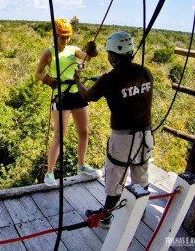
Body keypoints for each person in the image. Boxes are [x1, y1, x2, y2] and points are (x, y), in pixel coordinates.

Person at [75, 31, 154, 228]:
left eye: (109, 53)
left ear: (113, 55)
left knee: (115, 178)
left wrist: (78, 80)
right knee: (140, 174)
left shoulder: (109, 79)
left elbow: (87, 96)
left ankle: (107, 216)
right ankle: (139, 211)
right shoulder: (145, 72)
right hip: (145, 135)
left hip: (122, 138)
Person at [34, 18, 99, 186]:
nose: (65, 40)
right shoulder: (48, 53)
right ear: (55, 36)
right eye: (62, 37)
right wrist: (48, 80)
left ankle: (81, 165)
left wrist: (91, 52)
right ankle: (49, 173)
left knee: (84, 131)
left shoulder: (73, 50)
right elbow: (38, 73)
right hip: (60, 94)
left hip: (76, 92)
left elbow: (87, 58)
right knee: (59, 134)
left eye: (68, 36)